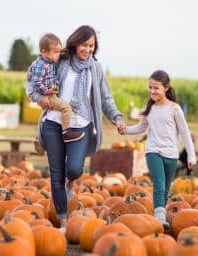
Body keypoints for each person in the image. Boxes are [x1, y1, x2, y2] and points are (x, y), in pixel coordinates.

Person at [26, 25, 125, 232]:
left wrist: (116, 117)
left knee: (73, 169)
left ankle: (70, 183)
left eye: (91, 46)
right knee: (56, 173)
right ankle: (63, 222)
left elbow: (106, 98)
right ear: (75, 42)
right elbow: (32, 83)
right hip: (54, 122)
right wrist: (40, 99)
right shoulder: (60, 60)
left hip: (81, 124)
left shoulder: (95, 68)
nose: (88, 49)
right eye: (84, 45)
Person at [118, 70, 196, 228]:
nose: (152, 91)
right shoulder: (150, 107)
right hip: (153, 151)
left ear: (166, 88)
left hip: (171, 154)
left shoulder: (175, 109)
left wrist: (191, 156)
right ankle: (159, 218)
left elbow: (185, 133)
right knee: (159, 183)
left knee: (166, 187)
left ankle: (160, 213)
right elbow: (142, 127)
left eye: (156, 88)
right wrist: (125, 129)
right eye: (150, 87)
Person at [27, 33, 85, 149]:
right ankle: (66, 133)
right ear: (44, 51)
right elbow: (36, 83)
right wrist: (46, 91)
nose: (58, 55)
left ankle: (39, 138)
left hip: (52, 92)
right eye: (55, 52)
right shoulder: (40, 65)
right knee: (66, 108)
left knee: (48, 113)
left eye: (59, 52)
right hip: (49, 95)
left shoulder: (49, 61)